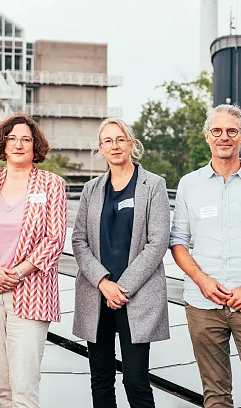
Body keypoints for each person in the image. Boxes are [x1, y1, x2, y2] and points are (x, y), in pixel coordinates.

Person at [169, 104, 241, 408]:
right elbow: (178, 242)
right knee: (216, 396)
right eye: (217, 131)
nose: (224, 137)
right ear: (207, 136)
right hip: (202, 304)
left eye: (232, 131)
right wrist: (202, 281)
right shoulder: (189, 184)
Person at [0, 113, 67, 408]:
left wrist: (16, 274)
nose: (18, 145)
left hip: (31, 294)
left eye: (26, 140)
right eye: (12, 138)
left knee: (24, 388)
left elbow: (54, 239)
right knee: (3, 387)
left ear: (35, 145)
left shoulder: (52, 184)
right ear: (2, 143)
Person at [72, 118, 171, 408]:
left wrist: (122, 287)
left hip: (136, 296)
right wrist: (104, 283)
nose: (114, 146)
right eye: (108, 141)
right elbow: (79, 241)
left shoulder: (153, 185)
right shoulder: (91, 189)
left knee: (135, 380)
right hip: (96, 296)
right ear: (100, 148)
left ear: (131, 144)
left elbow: (157, 242)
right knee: (101, 379)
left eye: (120, 139)